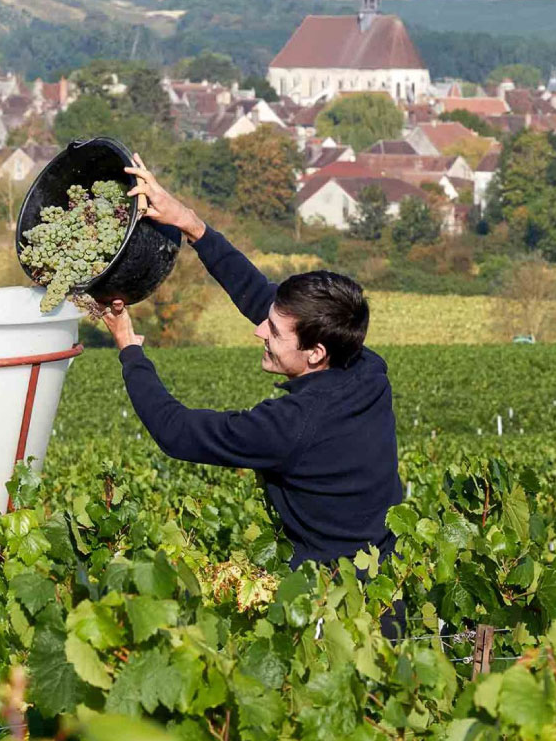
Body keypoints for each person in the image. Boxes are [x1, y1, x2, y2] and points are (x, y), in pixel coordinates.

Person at [101, 155, 406, 637]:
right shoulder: (366, 368)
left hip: (329, 606)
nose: (259, 330)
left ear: (314, 352)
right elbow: (259, 297)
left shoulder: (290, 426)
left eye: (275, 331)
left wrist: (129, 349)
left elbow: (177, 433)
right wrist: (191, 225)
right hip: (387, 585)